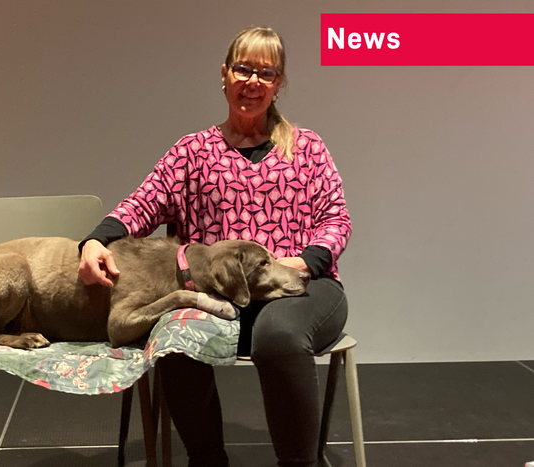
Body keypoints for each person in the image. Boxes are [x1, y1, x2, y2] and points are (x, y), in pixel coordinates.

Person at [78, 26, 351, 467]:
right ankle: (207, 460)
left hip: (301, 286)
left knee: (278, 335)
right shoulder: (192, 152)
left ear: (279, 84)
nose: (252, 81)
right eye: (243, 68)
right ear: (224, 75)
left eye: (266, 72)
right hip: (219, 294)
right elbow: (141, 204)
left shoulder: (307, 147)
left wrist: (304, 262)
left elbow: (336, 218)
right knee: (173, 333)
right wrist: (94, 241)